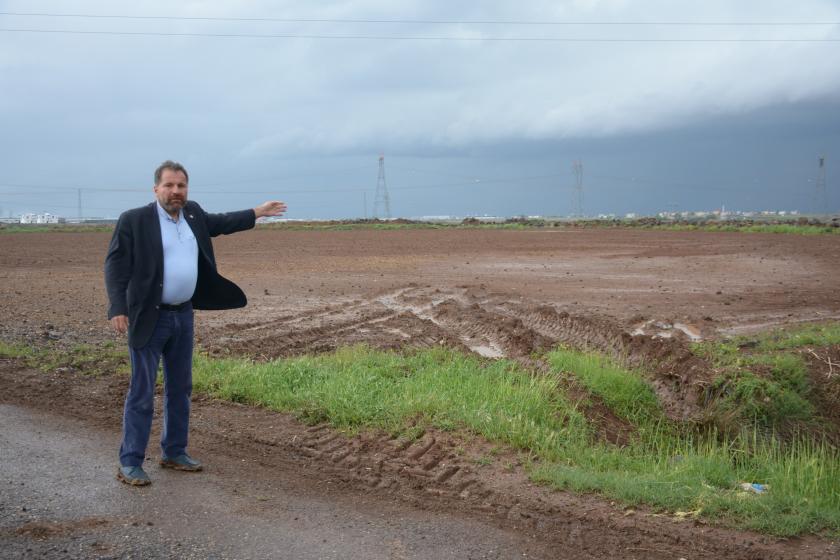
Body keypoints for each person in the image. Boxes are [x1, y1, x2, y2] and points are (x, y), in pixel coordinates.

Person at [105, 160, 286, 486]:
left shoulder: (193, 214)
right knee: (142, 392)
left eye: (181, 186)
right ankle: (129, 462)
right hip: (149, 317)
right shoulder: (134, 220)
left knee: (180, 388)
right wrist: (118, 307)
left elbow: (222, 222)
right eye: (169, 186)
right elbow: (115, 266)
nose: (176, 192)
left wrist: (257, 211)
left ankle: (174, 452)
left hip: (183, 316)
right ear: (156, 188)